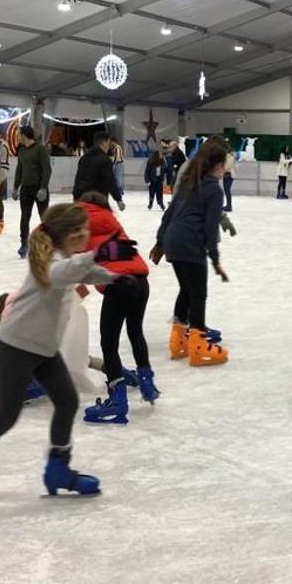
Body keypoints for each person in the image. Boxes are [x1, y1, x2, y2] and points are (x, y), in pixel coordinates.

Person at [0, 204, 124, 519]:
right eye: (76, 232)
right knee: (5, 417)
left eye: (85, 230)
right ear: (60, 237)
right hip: (16, 347)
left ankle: (58, 470)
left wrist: (115, 276)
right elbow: (64, 273)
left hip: (44, 349)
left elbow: (83, 271)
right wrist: (98, 254)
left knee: (66, 402)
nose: (84, 235)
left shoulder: (65, 259)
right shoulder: (50, 262)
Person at [78, 191, 157, 424]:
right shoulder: (112, 222)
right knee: (135, 332)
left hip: (118, 284)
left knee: (109, 343)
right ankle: (147, 381)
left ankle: (117, 400)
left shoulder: (80, 221)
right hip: (141, 282)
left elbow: (75, 258)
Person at [151, 144, 229, 367]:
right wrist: (214, 257)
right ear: (219, 166)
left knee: (186, 290)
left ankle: (178, 341)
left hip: (173, 242)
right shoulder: (214, 189)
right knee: (198, 294)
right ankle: (197, 345)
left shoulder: (189, 183)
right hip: (190, 243)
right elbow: (210, 226)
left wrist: (160, 242)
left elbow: (168, 215)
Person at [13, 126, 52, 259]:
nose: (18, 137)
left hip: (39, 188)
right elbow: (19, 169)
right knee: (25, 217)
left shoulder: (40, 149)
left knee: (44, 217)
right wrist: (15, 187)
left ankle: (49, 244)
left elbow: (47, 169)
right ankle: (24, 244)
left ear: (24, 135)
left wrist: (43, 187)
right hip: (26, 189)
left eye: (19, 134)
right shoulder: (22, 150)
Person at [73, 132, 124, 210]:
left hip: (79, 199)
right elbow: (110, 180)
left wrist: (76, 198)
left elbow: (78, 179)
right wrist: (118, 199)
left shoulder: (84, 158)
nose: (109, 146)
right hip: (96, 200)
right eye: (109, 142)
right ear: (104, 142)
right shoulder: (105, 160)